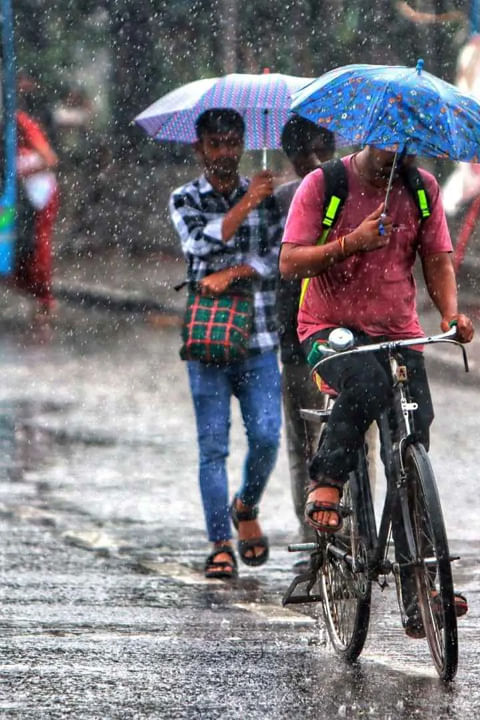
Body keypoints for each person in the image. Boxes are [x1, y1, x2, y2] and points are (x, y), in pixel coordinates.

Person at [279, 143, 474, 633]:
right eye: (391, 143)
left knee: (410, 440)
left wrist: (451, 315)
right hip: (330, 330)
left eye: (410, 146)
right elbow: (290, 262)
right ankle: (327, 480)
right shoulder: (325, 186)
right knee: (364, 384)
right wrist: (351, 242)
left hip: (399, 333)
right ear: (370, 136)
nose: (400, 154)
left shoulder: (422, 190)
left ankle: (421, 590)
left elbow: (438, 261)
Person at [169, 108, 283, 579]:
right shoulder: (184, 198)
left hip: (258, 338)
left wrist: (237, 271)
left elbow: (279, 258)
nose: (226, 152)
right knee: (212, 447)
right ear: (199, 148)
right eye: (215, 144)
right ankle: (220, 542)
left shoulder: (267, 198)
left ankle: (246, 504)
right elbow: (200, 246)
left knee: (266, 437)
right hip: (208, 341)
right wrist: (245, 205)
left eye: (232, 142)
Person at [273, 115, 336, 550]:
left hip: (335, 336)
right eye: (307, 152)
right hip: (299, 339)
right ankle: (314, 530)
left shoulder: (345, 191)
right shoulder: (277, 202)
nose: (314, 161)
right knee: (306, 441)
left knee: (330, 441)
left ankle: (336, 529)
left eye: (320, 150)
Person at [11, 109, 59, 320]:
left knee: (41, 246)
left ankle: (44, 298)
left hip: (42, 194)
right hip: (28, 196)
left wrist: (19, 173)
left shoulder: (20, 122)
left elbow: (50, 159)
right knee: (28, 248)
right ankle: (37, 293)